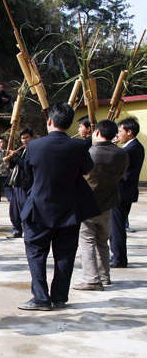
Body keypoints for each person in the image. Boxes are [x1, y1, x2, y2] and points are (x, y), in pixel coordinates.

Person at [18, 103, 96, 311]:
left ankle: (41, 298)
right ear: (70, 124)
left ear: (49, 121)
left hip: (39, 208)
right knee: (65, 254)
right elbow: (87, 168)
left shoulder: (34, 146)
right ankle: (60, 296)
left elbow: (28, 175)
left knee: (36, 253)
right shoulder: (79, 147)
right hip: (69, 210)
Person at [74, 119, 128, 291]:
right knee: (103, 242)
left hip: (87, 203)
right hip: (108, 202)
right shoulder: (122, 154)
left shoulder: (88, 152)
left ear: (96, 133)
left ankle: (91, 278)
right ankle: (105, 276)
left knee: (87, 241)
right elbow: (121, 175)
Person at [110, 117, 144, 268]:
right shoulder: (135, 147)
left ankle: (119, 258)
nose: (118, 135)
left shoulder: (130, 149)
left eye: (120, 131)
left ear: (130, 132)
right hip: (126, 191)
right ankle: (118, 256)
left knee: (116, 227)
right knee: (117, 226)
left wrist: (111, 147)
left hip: (121, 192)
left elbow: (116, 167)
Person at [6, 127, 34, 238]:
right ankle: (17, 229)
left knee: (24, 209)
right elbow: (14, 165)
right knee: (14, 210)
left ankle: (27, 230)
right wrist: (11, 158)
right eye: (22, 138)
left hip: (25, 184)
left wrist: (16, 156)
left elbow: (27, 166)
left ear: (32, 138)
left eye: (26, 138)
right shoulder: (21, 150)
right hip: (16, 183)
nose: (24, 140)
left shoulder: (33, 151)